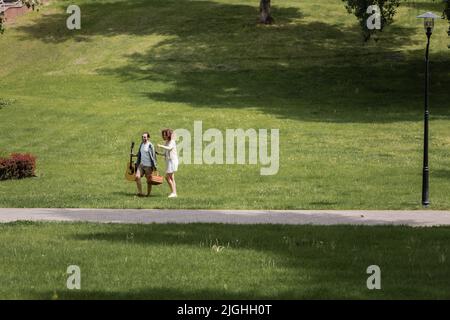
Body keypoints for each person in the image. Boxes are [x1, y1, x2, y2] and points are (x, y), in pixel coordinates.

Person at [134, 132, 157, 197]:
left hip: (148, 166)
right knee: (137, 177)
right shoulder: (141, 144)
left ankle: (148, 194)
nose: (143, 138)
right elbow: (140, 153)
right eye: (142, 137)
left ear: (148, 138)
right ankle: (140, 193)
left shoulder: (150, 145)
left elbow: (153, 156)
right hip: (141, 165)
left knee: (149, 181)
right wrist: (135, 155)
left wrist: (154, 166)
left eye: (144, 137)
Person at [157, 129, 178, 198]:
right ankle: (174, 193)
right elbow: (166, 153)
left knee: (167, 177)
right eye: (163, 134)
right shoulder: (167, 142)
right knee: (172, 177)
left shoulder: (172, 141)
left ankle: (173, 192)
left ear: (168, 135)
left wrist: (161, 146)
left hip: (172, 161)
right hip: (169, 161)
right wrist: (159, 153)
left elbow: (169, 148)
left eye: (165, 134)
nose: (163, 136)